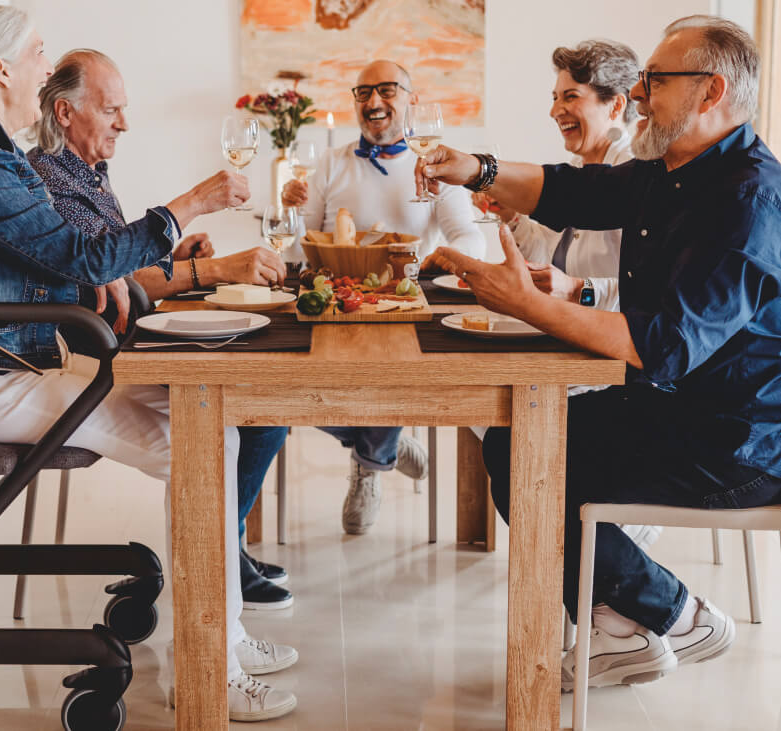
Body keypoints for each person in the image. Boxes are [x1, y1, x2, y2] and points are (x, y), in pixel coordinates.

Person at [0, 6, 295, 721]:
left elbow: (62, 260)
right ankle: (206, 669)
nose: (45, 59)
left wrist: (101, 273)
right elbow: (83, 255)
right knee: (200, 447)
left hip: (16, 369)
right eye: (37, 50)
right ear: (1, 70)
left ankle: (225, 634)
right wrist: (192, 203)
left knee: (208, 427)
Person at [415, 14, 781, 690]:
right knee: (517, 439)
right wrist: (476, 168)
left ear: (709, 92)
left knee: (531, 452)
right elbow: (572, 189)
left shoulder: (747, 200)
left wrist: (526, 301)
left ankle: (674, 613)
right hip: (676, 409)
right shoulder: (671, 167)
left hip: (734, 441)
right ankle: (625, 629)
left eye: (655, 81)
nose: (638, 93)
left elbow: (663, 347)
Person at [26, 49, 293, 613]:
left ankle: (228, 549)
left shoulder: (87, 173)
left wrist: (174, 255)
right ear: (64, 112)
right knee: (251, 409)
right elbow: (102, 275)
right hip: (97, 354)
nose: (125, 123)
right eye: (111, 109)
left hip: (118, 341)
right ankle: (221, 564)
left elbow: (120, 269)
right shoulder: (49, 179)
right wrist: (216, 268)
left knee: (264, 407)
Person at [438, 39, 665, 552]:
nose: (556, 109)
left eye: (572, 96)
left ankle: (610, 525)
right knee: (480, 401)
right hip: (570, 340)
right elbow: (556, 251)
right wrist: (513, 218)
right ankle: (579, 541)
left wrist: (578, 291)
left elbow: (645, 287)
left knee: (501, 416)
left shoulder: (633, 175)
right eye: (556, 96)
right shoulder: (589, 171)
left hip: (610, 358)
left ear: (615, 104)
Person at [282, 59, 484, 535]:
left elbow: (471, 239)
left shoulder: (438, 165)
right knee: (284, 387)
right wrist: (291, 212)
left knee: (387, 374)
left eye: (387, 90)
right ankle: (383, 447)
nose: (374, 101)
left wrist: (448, 258)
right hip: (335, 307)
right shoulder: (329, 163)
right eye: (363, 92)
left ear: (412, 98)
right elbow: (299, 251)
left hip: (407, 311)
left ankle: (370, 464)